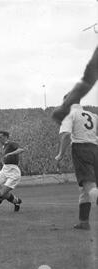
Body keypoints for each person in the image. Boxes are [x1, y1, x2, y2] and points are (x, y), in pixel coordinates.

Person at [55, 95, 98, 230]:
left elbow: (66, 135)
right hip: (95, 149)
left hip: (80, 149)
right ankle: (84, 222)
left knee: (88, 185)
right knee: (85, 189)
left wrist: (60, 155)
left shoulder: (70, 115)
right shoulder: (93, 115)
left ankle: (84, 222)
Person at [52, 46, 98, 124]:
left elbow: (89, 78)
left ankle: (64, 108)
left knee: (90, 74)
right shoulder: (93, 116)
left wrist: (65, 106)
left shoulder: (71, 117)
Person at [0, 131, 25, 212]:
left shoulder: (11, 143)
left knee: (2, 193)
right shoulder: (4, 146)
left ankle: (16, 201)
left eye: (0, 137)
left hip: (13, 171)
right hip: (5, 169)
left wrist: (10, 154)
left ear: (6, 137)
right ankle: (2, 197)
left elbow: (21, 149)